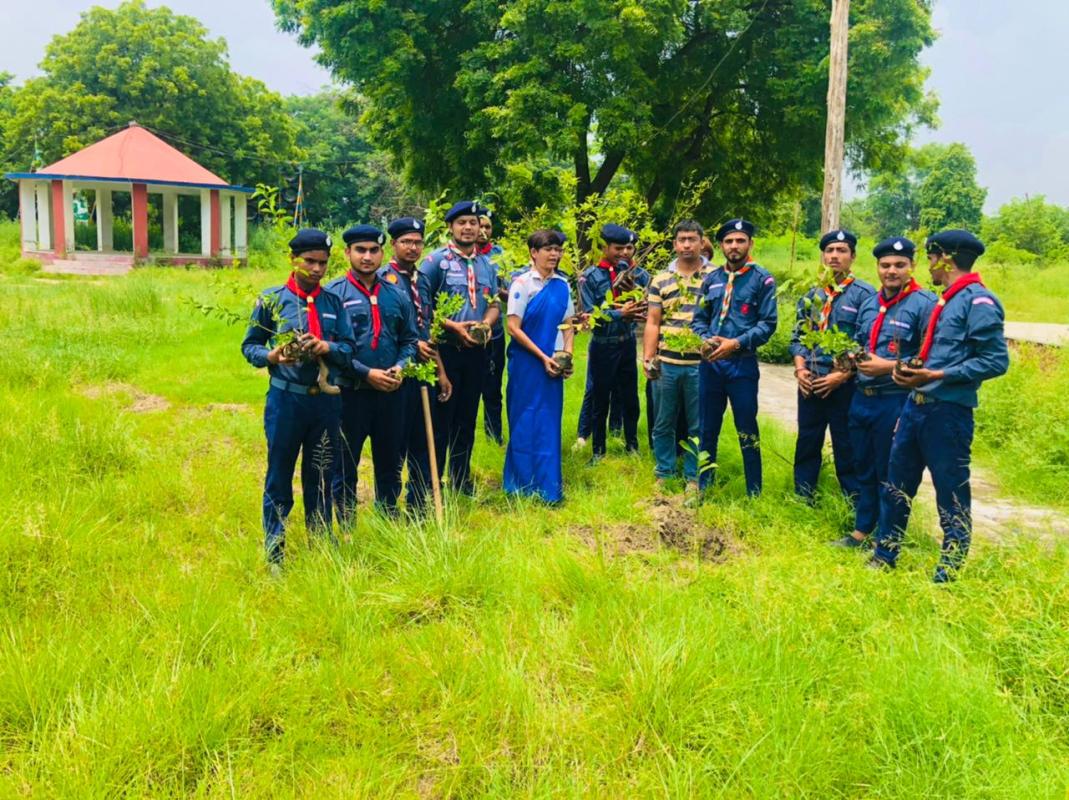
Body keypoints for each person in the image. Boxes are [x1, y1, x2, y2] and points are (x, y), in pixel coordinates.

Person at [869, 230, 1008, 581]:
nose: (928, 266)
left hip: (947, 413)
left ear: (945, 258)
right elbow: (936, 352)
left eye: (931, 258)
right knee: (897, 484)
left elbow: (995, 360)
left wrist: (938, 374)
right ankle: (884, 555)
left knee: (951, 491)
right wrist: (911, 371)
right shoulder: (945, 300)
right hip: (915, 406)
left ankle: (948, 571)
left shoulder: (978, 301)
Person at [241, 229, 356, 568]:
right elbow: (249, 346)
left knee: (321, 473)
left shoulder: (333, 302)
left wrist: (326, 346)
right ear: (293, 260)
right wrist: (272, 356)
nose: (317, 269)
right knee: (279, 474)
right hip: (286, 402)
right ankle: (275, 550)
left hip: (325, 403)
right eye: (309, 261)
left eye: (323, 263)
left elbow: (348, 349)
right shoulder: (272, 300)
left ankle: (320, 543)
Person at [831, 237, 936, 549]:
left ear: (912, 266)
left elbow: (931, 358)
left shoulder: (924, 304)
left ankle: (888, 538)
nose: (892, 271)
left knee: (891, 471)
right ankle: (862, 529)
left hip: (895, 399)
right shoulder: (869, 303)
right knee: (863, 465)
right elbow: (861, 342)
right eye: (885, 265)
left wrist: (888, 366)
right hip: (862, 397)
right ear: (877, 267)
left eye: (899, 265)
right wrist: (849, 359)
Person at [326, 224, 419, 521]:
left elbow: (410, 340)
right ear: (347, 253)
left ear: (382, 252)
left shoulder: (397, 293)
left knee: (390, 462)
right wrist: (366, 373)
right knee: (344, 463)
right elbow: (329, 347)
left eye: (373, 250)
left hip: (391, 393)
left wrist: (400, 366)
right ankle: (346, 524)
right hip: (349, 393)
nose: (367, 257)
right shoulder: (333, 294)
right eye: (360, 250)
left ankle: (388, 518)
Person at [418, 200, 501, 496]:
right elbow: (423, 309)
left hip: (476, 352)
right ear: (450, 227)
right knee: (442, 419)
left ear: (481, 228)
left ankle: (461, 480)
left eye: (473, 223)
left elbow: (494, 303)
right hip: (446, 352)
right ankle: (433, 483)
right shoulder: (434, 263)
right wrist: (453, 327)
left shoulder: (486, 264)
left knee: (467, 419)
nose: (468, 228)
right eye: (462, 222)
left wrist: (487, 324)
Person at [691, 219, 777, 496]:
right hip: (711, 365)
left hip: (742, 365)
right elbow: (698, 319)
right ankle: (704, 486)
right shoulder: (712, 279)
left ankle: (754, 492)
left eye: (740, 240)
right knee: (707, 428)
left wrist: (736, 343)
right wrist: (706, 339)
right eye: (729, 241)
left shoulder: (762, 279)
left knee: (747, 429)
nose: (734, 246)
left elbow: (768, 324)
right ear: (721, 246)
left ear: (750, 243)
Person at [789, 229, 875, 501]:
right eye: (830, 251)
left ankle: (853, 502)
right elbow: (799, 337)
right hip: (811, 381)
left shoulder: (864, 295)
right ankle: (803, 496)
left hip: (844, 385)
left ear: (853, 256)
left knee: (846, 443)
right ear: (823, 256)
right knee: (807, 440)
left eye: (842, 250)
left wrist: (842, 375)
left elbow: (866, 341)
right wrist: (800, 369)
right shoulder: (812, 294)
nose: (835, 256)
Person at [380, 217, 452, 513]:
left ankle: (418, 505)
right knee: (394, 443)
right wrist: (411, 347)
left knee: (424, 440)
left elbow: (428, 329)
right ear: (393, 244)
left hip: (424, 372)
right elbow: (384, 330)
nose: (412, 247)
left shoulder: (422, 280)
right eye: (406, 242)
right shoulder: (383, 279)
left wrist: (441, 372)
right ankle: (388, 506)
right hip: (398, 371)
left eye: (417, 242)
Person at [503, 229, 576, 502]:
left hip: (552, 364)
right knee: (524, 419)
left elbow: (568, 324)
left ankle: (548, 487)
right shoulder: (522, 284)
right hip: (526, 363)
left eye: (558, 249)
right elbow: (513, 328)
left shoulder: (563, 285)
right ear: (534, 253)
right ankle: (519, 485)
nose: (554, 254)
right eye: (548, 249)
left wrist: (566, 356)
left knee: (548, 420)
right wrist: (542, 357)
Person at [643, 220, 713, 500]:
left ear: (701, 242)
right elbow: (652, 321)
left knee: (698, 424)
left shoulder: (715, 277)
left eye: (692, 239)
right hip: (667, 364)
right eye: (682, 240)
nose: (686, 245)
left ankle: (694, 477)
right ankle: (664, 471)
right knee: (663, 421)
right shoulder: (660, 279)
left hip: (700, 365)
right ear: (674, 244)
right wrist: (648, 357)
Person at [579, 223, 650, 461]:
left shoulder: (638, 274)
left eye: (628, 248)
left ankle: (632, 445)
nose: (624, 253)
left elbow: (651, 301)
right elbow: (589, 314)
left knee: (631, 398)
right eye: (618, 248)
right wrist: (621, 313)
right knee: (600, 399)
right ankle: (598, 451)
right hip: (603, 345)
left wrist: (638, 295)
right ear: (605, 247)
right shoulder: (590, 277)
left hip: (627, 343)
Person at [477, 211, 508, 445]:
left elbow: (509, 290)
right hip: (466, 331)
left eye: (487, 227)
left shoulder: (499, 256)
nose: (483, 231)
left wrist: (500, 292)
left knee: (493, 386)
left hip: (494, 330)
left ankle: (494, 436)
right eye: (479, 226)